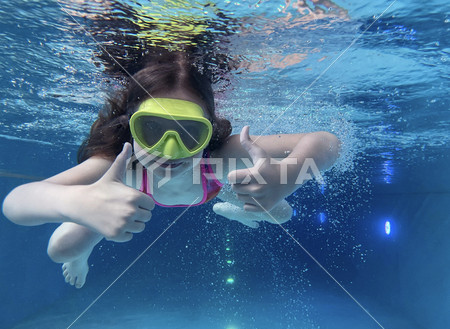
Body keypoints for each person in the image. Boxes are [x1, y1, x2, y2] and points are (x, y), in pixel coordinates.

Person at [2, 51, 341, 289]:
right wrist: (81, 206)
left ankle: (236, 209)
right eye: (152, 129)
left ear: (209, 130)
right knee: (61, 250)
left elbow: (326, 141)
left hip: (211, 189)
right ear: (131, 127)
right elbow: (17, 201)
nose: (169, 151)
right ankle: (85, 251)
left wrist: (289, 176)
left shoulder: (220, 155)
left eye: (189, 132)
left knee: (282, 213)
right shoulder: (120, 165)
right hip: (125, 200)